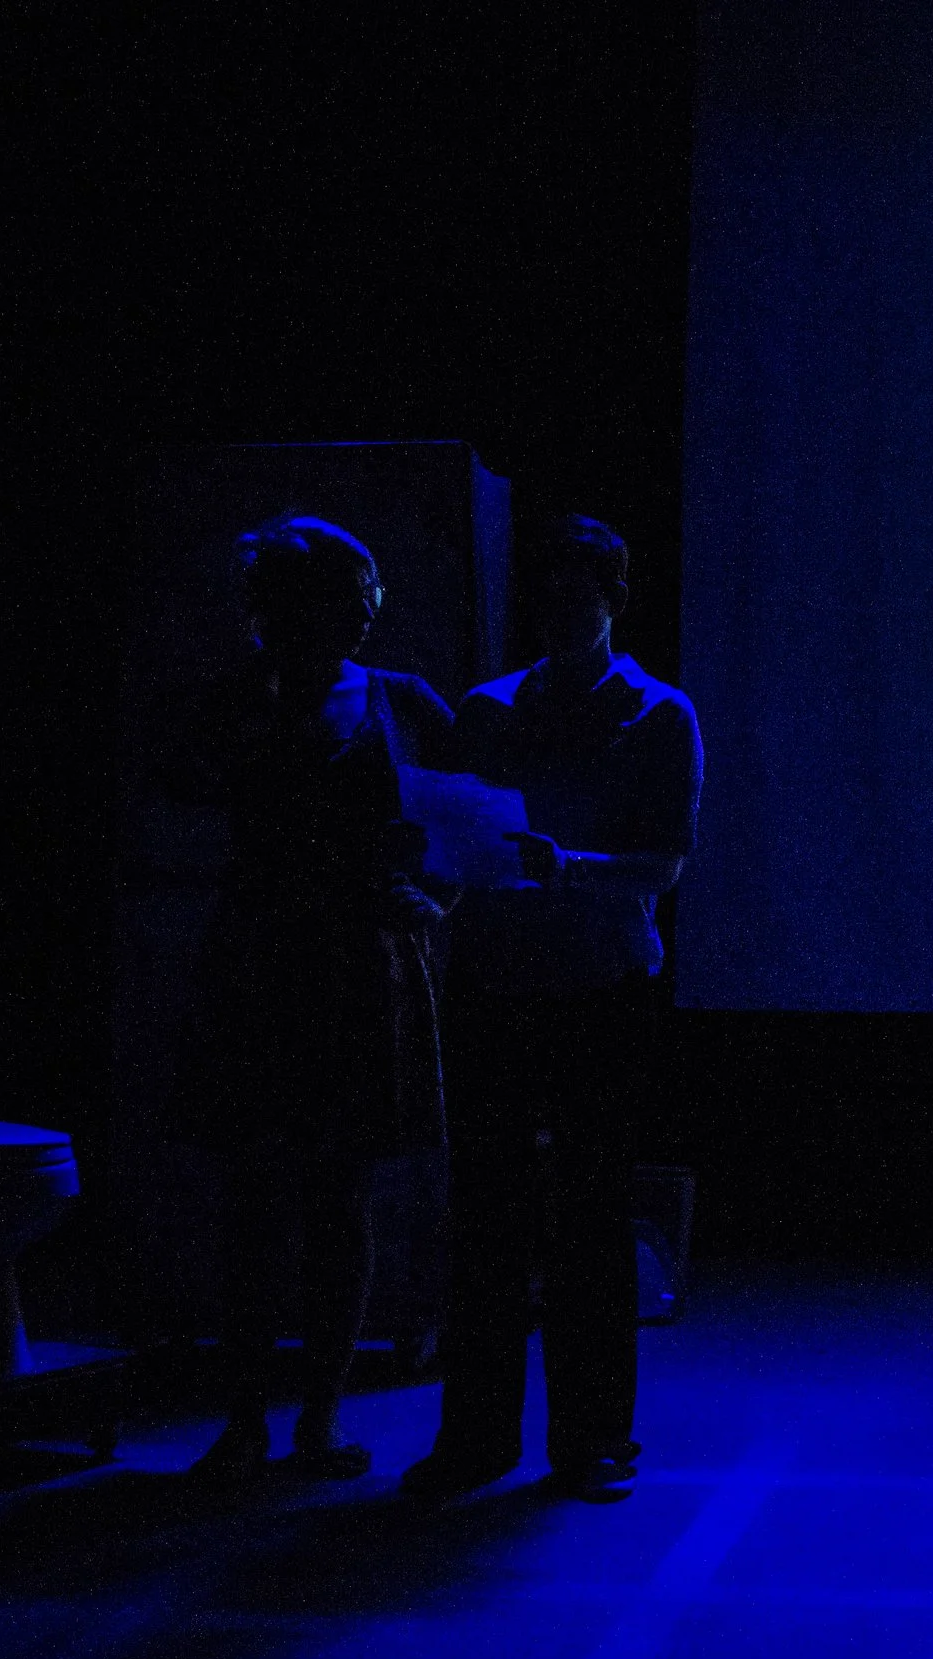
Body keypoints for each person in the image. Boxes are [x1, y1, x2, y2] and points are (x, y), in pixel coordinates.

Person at [406, 516, 702, 1502]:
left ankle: (591, 1441)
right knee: (484, 1214)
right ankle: (476, 1435)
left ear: (616, 600)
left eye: (586, 596)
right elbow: (448, 833)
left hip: (598, 988)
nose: (567, 614)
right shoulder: (485, 709)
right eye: (553, 598)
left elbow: (663, 864)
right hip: (492, 980)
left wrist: (563, 867)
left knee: (588, 1217)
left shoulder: (659, 714)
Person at [168, 517, 454, 1482]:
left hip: (356, 965)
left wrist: (438, 895)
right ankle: (248, 1417)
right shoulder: (235, 699)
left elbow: (468, 819)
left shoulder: (405, 703)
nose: (361, 613)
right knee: (254, 1199)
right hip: (260, 966)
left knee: (338, 1198)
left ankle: (318, 1418)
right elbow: (182, 779)